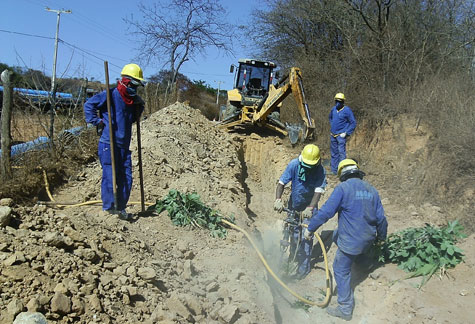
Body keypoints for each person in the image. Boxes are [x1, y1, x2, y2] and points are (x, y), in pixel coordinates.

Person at [304, 159, 388, 321]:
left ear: (343, 174)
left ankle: (345, 308)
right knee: (336, 234)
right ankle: (363, 263)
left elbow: (326, 212)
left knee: (340, 269)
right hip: (368, 239)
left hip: (351, 242)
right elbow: (381, 220)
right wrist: (381, 239)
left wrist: (310, 229)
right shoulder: (372, 190)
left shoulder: (343, 188)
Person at [84, 63, 145, 220]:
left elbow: (132, 119)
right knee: (111, 178)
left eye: (138, 86)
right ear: (125, 81)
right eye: (134, 84)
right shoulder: (110, 95)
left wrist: (140, 108)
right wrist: (97, 122)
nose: (135, 89)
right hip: (108, 144)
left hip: (124, 145)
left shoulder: (132, 101)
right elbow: (88, 105)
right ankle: (109, 210)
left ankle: (120, 208)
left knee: (126, 178)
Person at [273, 144, 327, 279]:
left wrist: (311, 208)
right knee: (293, 233)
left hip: (309, 206)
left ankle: (303, 270)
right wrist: (278, 199)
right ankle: (293, 258)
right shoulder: (294, 165)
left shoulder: (319, 170)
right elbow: (281, 183)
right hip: (294, 204)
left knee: (306, 237)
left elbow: (318, 190)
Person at [329, 93, 356, 175]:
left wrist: (346, 132)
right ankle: (334, 170)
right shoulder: (333, 109)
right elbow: (330, 118)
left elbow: (353, 123)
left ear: (343, 102)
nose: (338, 103)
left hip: (341, 135)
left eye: (340, 101)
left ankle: (342, 171)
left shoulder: (347, 110)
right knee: (334, 154)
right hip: (333, 135)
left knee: (341, 153)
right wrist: (332, 125)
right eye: (336, 101)